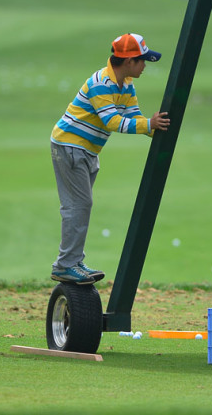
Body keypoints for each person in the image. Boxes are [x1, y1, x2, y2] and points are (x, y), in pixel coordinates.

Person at [49, 33, 170, 284]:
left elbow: (133, 115)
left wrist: (152, 128)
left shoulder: (126, 84)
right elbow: (112, 121)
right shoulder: (101, 82)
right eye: (142, 60)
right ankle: (65, 265)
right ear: (129, 61)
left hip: (87, 150)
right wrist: (149, 124)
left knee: (80, 206)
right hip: (70, 146)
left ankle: (73, 261)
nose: (145, 65)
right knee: (78, 206)